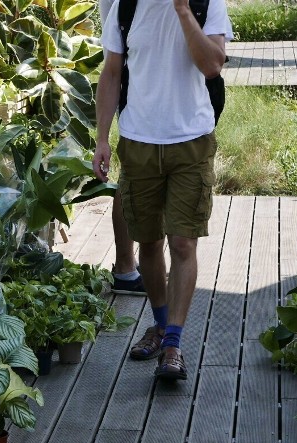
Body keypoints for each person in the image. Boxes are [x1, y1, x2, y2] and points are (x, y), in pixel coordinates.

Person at [91, 0, 232, 380]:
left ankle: (173, 343)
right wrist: (102, 138)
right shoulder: (125, 7)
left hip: (191, 141)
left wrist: (184, 11)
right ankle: (159, 322)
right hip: (138, 142)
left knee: (183, 243)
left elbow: (212, 64)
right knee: (149, 243)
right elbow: (112, 73)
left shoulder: (205, 4)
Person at [98, 0, 146, 297]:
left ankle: (136, 263)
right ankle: (126, 267)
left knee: (140, 174)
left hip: (135, 70)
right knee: (132, 175)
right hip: (131, 74)